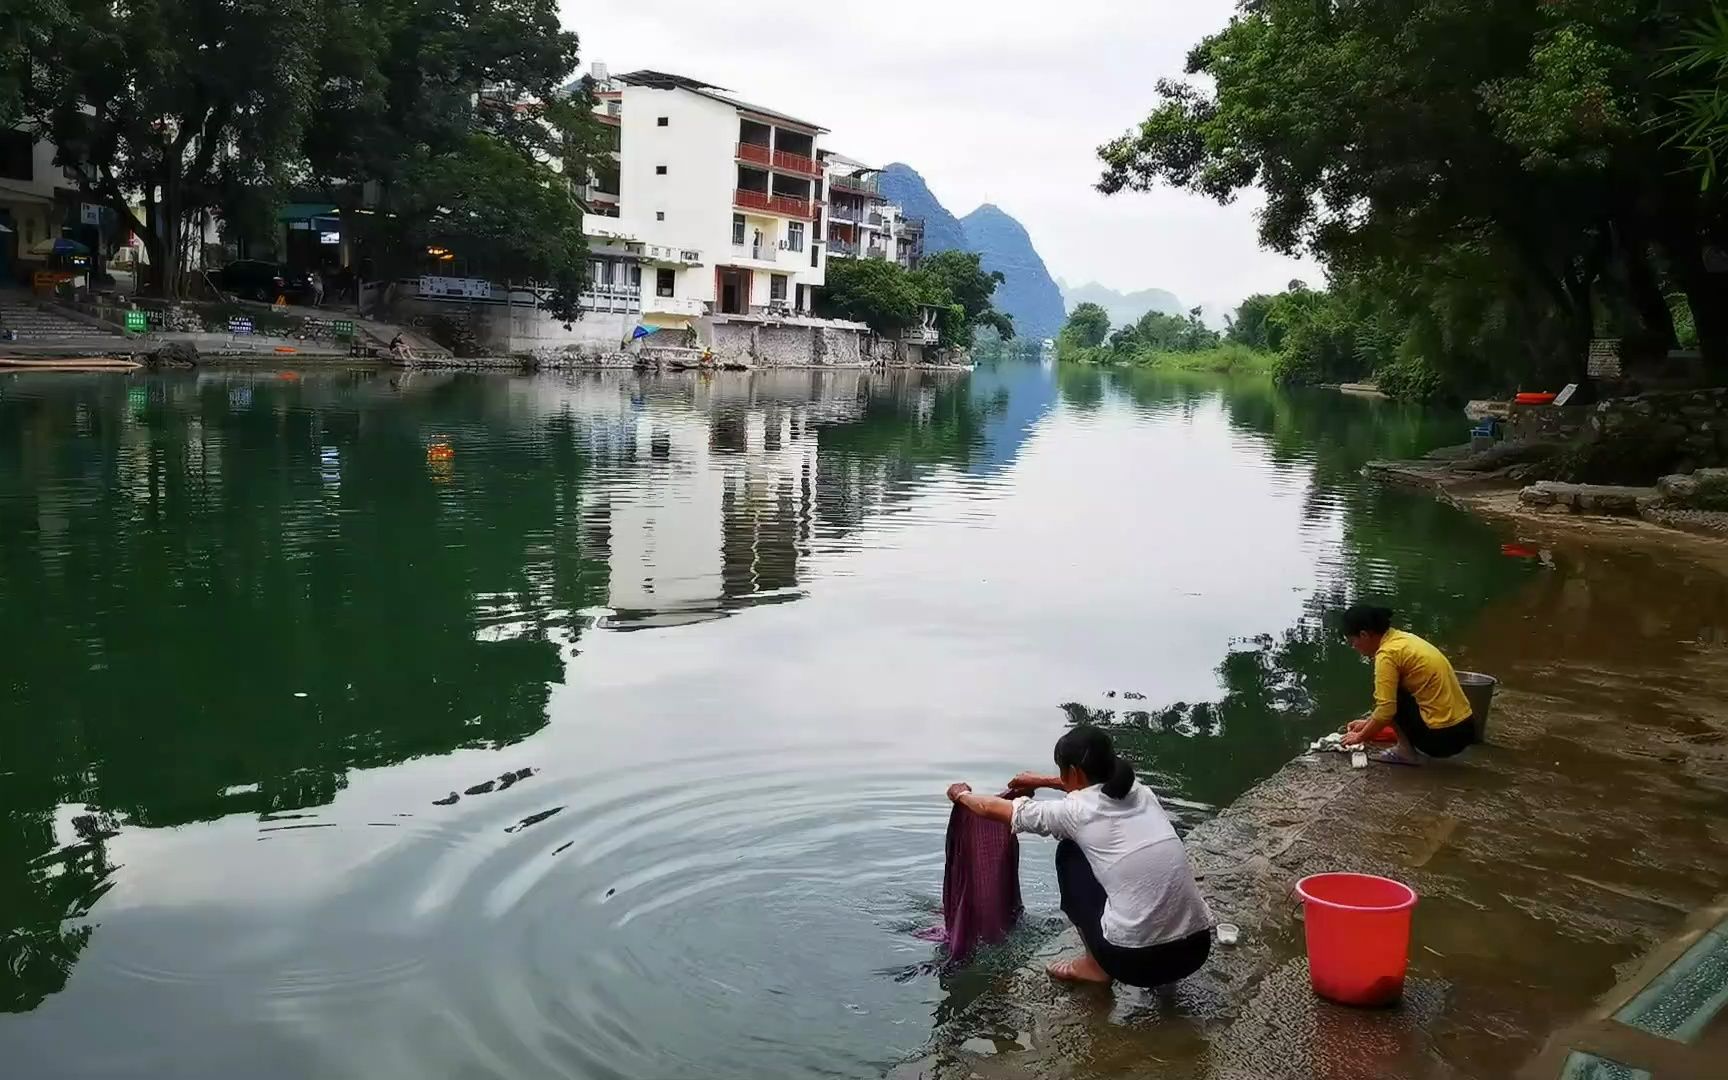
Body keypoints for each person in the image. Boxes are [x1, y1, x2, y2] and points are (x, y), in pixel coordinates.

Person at [945, 726, 1213, 988]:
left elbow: (998, 809)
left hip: (1135, 963)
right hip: (1195, 950)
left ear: (1074, 772)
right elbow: (1091, 788)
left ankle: (1095, 968)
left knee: (1070, 853)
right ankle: (1164, 978)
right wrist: (1039, 781)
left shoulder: (1074, 813)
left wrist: (962, 795)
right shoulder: (1140, 791)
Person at [1338, 604, 1475, 765]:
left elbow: (1386, 710)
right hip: (1466, 728)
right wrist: (1367, 723)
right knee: (1392, 693)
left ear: (1364, 635)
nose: (1354, 647)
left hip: (1443, 740)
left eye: (1353, 642)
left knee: (1391, 697)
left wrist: (1360, 737)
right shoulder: (1402, 639)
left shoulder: (1387, 655)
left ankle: (1405, 752)